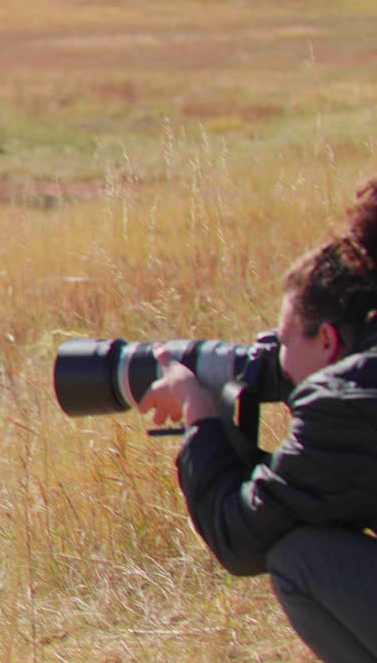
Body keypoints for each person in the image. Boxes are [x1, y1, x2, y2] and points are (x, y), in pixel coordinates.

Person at [139, 179, 377, 663]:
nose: (280, 361)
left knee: (300, 560)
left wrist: (201, 419)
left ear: (329, 341)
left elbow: (239, 537)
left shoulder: (347, 404)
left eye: (286, 342)